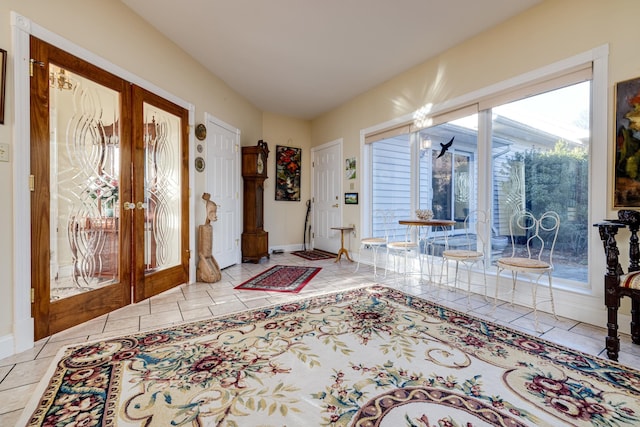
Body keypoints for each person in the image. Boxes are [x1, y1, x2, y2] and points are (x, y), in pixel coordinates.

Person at [197, 193, 222, 283]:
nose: (215, 215)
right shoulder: (202, 228)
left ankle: (214, 272)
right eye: (212, 212)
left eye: (215, 212)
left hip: (208, 256)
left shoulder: (209, 227)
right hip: (203, 257)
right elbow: (200, 252)